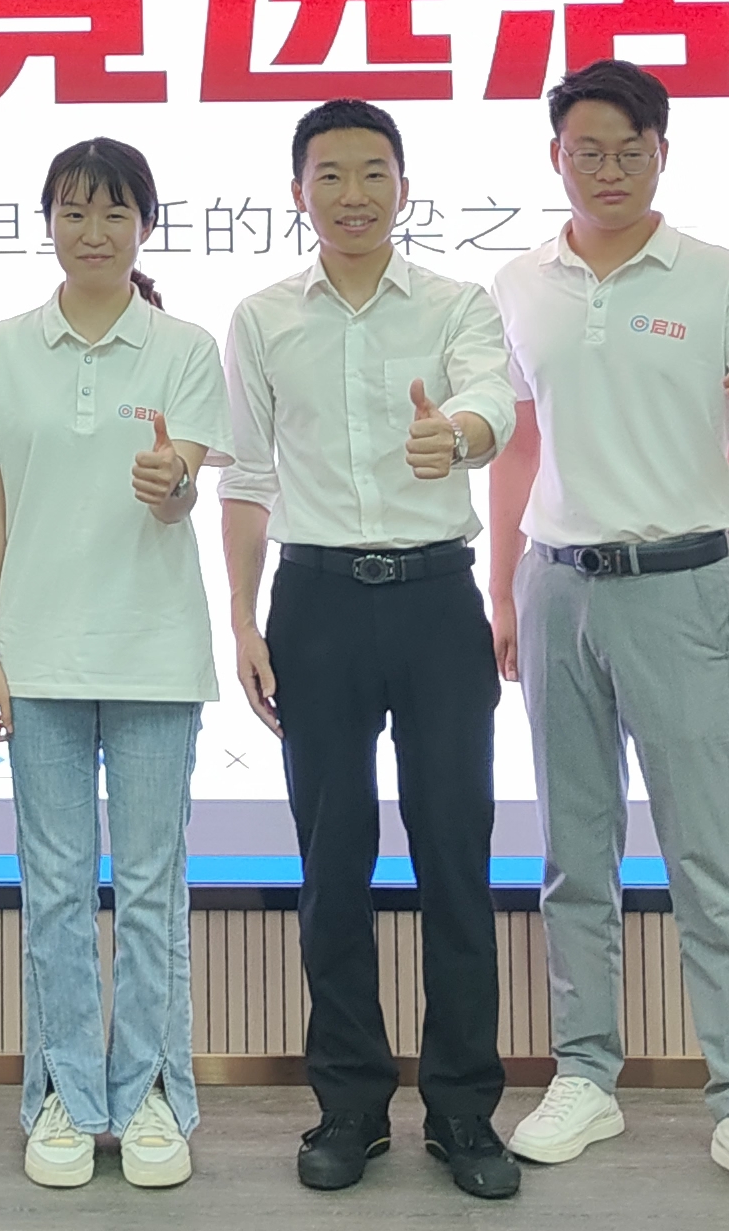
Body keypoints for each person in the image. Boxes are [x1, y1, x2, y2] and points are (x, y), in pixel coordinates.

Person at [483, 58, 729, 1213]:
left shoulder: (722, 276)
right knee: (573, 853)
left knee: (704, 855)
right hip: (556, 583)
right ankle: (585, 1074)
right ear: (556, 156)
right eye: (586, 149)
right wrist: (501, 586)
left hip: (682, 584)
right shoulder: (519, 282)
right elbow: (517, 445)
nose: (608, 168)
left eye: (629, 149)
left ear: (662, 152)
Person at [219, 98, 518, 1200]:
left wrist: (458, 434)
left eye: (373, 172)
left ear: (403, 183)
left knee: (456, 858)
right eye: (330, 175)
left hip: (436, 599)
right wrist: (242, 617)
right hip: (316, 601)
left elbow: (490, 401)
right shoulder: (262, 317)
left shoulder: (455, 302)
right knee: (332, 862)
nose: (353, 194)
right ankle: (349, 1104)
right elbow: (248, 475)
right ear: (297, 192)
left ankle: (463, 1110)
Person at [0, 138, 229, 1192]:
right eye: (74, 211)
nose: (94, 231)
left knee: (153, 888)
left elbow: (182, 488)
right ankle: (64, 1096)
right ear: (48, 224)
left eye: (115, 213)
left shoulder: (184, 348)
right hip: (37, 660)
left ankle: (152, 1091)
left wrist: (171, 483)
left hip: (155, 655)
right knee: (57, 890)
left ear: (145, 226)